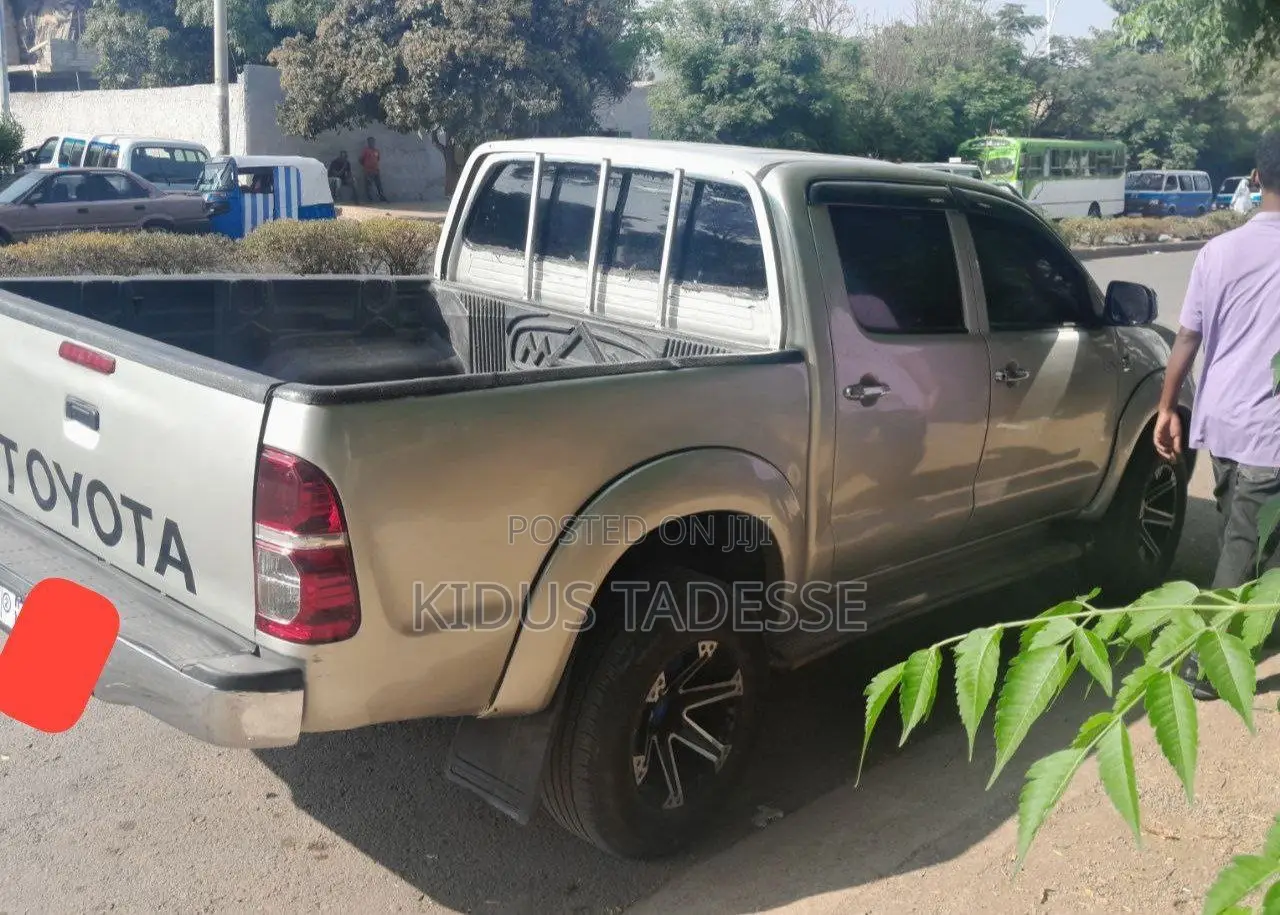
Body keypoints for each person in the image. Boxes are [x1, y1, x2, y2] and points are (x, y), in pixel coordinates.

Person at [1154, 129, 1280, 700]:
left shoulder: (1219, 251)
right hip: (1268, 431)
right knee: (1244, 544)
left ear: (1255, 178)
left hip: (1224, 423)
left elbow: (1187, 337)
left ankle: (1256, 625)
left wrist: (1167, 407)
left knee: (1242, 528)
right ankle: (1208, 665)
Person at [359, 137, 388, 203]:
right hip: (368, 171)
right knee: (368, 186)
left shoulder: (376, 151)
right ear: (368, 142)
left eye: (373, 141)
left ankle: (382, 197)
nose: (372, 143)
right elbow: (360, 160)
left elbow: (378, 159)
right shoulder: (365, 150)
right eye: (370, 142)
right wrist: (366, 166)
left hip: (376, 171)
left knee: (379, 185)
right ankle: (370, 199)